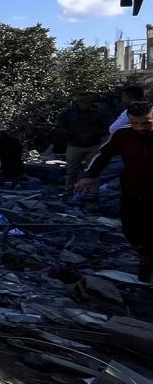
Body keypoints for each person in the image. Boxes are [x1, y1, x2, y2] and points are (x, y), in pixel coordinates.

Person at [75, 100, 153, 282]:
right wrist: (90, 175)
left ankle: (148, 266)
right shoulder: (123, 134)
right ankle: (146, 256)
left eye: (146, 123)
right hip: (132, 190)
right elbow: (103, 155)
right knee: (131, 231)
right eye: (134, 123)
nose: (140, 128)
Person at [53, 94, 109, 191]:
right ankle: (69, 190)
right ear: (79, 102)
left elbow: (106, 128)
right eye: (84, 103)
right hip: (74, 145)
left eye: (88, 103)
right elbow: (58, 128)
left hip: (93, 145)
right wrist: (72, 134)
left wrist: (93, 134)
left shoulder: (98, 113)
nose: (86, 105)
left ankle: (91, 192)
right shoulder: (67, 113)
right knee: (71, 170)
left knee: (93, 170)